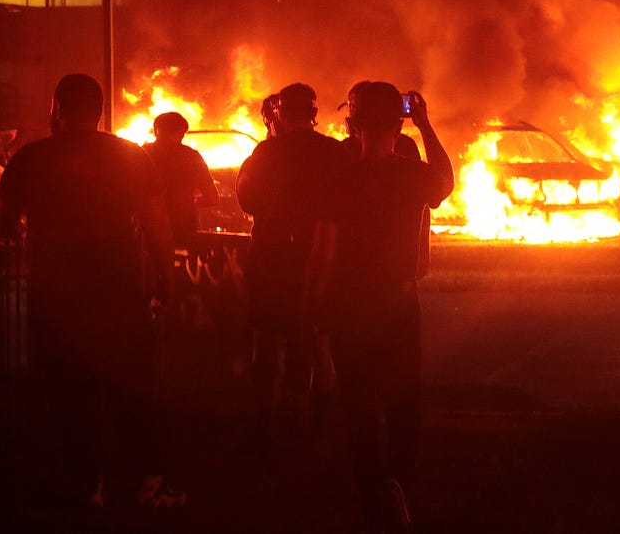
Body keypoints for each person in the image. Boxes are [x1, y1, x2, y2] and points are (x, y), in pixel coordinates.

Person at [0, 73, 185, 509]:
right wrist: (166, 278)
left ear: (58, 108)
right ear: (98, 112)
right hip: (117, 287)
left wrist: (19, 232)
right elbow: (157, 225)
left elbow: (3, 219)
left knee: (67, 389)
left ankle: (85, 482)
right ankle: (149, 480)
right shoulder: (129, 156)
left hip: (56, 291)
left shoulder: (31, 158)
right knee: (131, 385)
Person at [307, 82, 455, 533]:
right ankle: (397, 485)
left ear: (352, 126)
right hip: (398, 302)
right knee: (403, 401)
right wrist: (425, 124)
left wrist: (316, 310)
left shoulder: (338, 181)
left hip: (348, 303)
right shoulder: (413, 176)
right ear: (398, 125)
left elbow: (323, 254)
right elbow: (445, 180)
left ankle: (374, 492)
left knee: (358, 402)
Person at [234, 82, 350, 436]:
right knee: (314, 337)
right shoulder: (334, 152)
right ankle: (307, 421)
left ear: (281, 113)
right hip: (319, 254)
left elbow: (246, 199)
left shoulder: (265, 153)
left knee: (267, 337)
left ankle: (263, 422)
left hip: (271, 254)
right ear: (313, 114)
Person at [141, 111, 219, 248]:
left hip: (146, 232)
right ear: (182, 133)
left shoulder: (141, 155)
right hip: (184, 229)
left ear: (156, 131)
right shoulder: (191, 157)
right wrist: (187, 203)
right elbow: (212, 197)